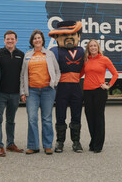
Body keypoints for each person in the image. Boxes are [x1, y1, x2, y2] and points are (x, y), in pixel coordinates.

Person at [20, 29, 60, 155]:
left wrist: (54, 82)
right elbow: (22, 75)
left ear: (42, 40)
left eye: (39, 38)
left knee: (47, 119)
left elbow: (58, 71)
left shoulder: (49, 54)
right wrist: (22, 92)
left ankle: (48, 145)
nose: (37, 40)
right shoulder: (27, 55)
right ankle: (33, 146)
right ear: (32, 41)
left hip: (47, 91)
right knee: (32, 118)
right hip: (32, 91)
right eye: (35, 38)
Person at [48, 21, 84, 153]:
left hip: (76, 87)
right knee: (60, 115)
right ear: (57, 37)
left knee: (76, 115)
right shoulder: (54, 51)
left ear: (78, 36)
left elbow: (87, 68)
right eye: (64, 34)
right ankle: (60, 142)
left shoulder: (82, 51)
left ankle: (76, 142)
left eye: (72, 34)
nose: (69, 37)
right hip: (61, 88)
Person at [80, 39, 119, 153]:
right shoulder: (86, 60)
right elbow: (80, 74)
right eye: (90, 46)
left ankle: (98, 145)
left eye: (94, 46)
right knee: (90, 118)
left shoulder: (104, 59)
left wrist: (109, 85)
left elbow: (115, 74)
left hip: (99, 92)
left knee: (99, 118)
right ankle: (93, 141)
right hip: (87, 92)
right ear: (88, 49)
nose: (92, 48)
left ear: (98, 48)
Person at [0, 30, 25, 157]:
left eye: (12, 39)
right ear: (4, 40)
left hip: (15, 94)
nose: (10, 41)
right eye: (7, 39)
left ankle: (10, 144)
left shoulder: (21, 55)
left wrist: (22, 92)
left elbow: (23, 76)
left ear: (16, 40)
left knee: (11, 120)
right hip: (0, 93)